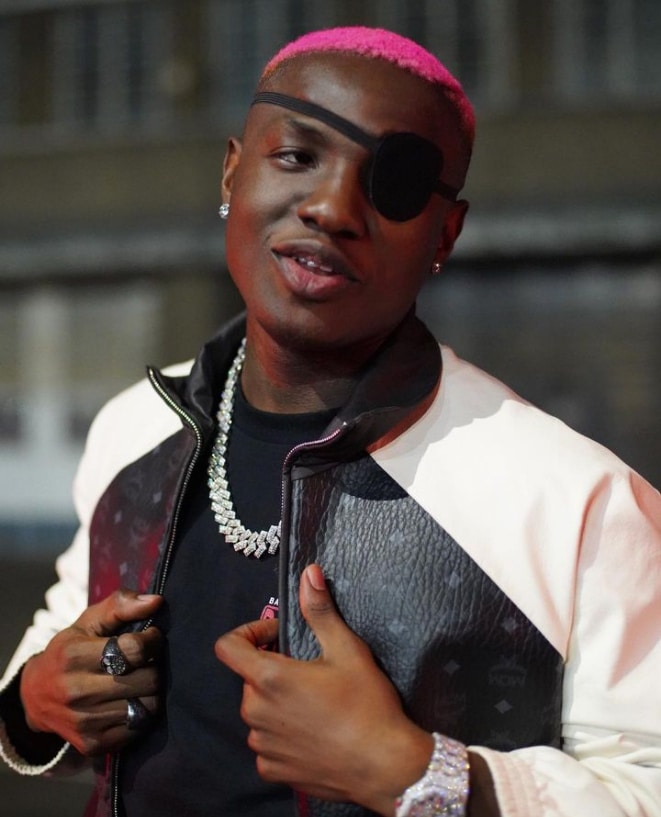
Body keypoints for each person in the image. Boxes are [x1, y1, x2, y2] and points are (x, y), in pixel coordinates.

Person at [1, 25, 660, 817]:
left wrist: (421, 775)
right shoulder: (135, 426)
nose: (330, 207)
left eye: (393, 184)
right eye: (296, 156)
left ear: (444, 234)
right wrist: (34, 701)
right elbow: (56, 640)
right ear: (232, 171)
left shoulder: (574, 499)